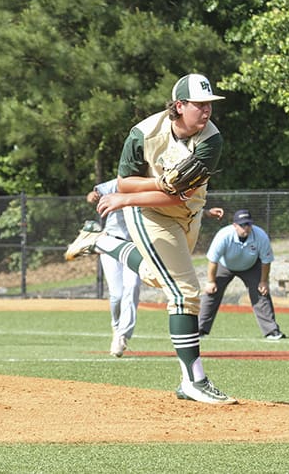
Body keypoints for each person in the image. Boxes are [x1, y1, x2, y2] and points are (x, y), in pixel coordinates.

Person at [65, 73, 236, 404]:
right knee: (185, 292)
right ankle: (193, 380)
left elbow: (180, 196)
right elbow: (125, 184)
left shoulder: (211, 140)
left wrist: (158, 186)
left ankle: (103, 243)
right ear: (179, 105)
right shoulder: (143, 134)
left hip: (188, 213)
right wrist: (146, 191)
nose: (206, 111)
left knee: (161, 279)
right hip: (148, 214)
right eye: (199, 105)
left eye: (209, 105)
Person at [198, 209, 285, 340]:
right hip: (225, 265)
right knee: (211, 293)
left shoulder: (260, 236)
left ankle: (272, 331)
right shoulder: (223, 235)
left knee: (261, 292)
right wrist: (210, 281)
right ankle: (199, 329)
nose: (246, 228)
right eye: (242, 225)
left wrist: (263, 281)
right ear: (235, 225)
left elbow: (266, 262)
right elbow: (213, 260)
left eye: (248, 224)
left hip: (251, 265)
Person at [85, 179, 141, 357]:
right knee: (116, 294)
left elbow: (170, 207)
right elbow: (92, 195)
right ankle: (116, 328)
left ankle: (123, 335)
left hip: (135, 246)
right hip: (112, 242)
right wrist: (93, 197)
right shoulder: (117, 183)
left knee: (132, 287)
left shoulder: (149, 183)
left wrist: (205, 212)